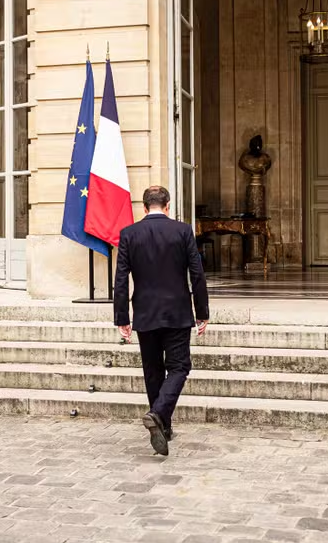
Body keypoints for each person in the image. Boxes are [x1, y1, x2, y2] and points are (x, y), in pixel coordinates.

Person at [113, 185, 210, 456]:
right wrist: (202, 311)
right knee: (179, 367)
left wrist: (122, 317)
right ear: (168, 206)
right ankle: (158, 415)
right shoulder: (182, 231)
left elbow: (121, 280)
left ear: (144, 208)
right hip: (177, 311)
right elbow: (197, 274)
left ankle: (163, 426)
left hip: (144, 312)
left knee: (153, 369)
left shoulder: (129, 234)